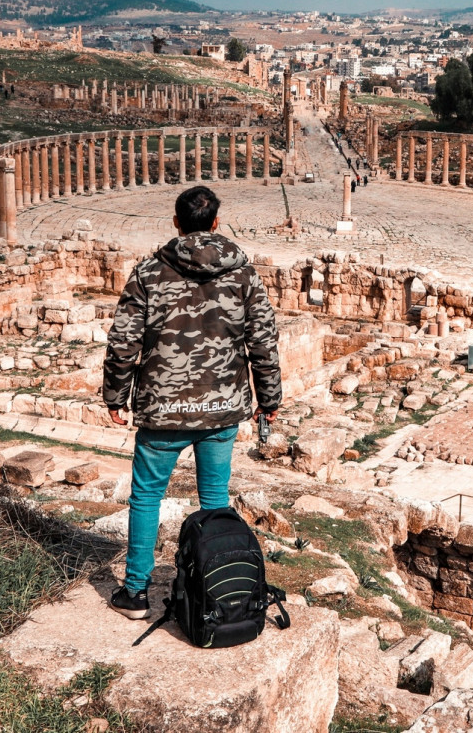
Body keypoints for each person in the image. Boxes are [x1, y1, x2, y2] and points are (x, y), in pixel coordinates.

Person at [103, 185, 282, 619]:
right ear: (217, 223)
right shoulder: (244, 276)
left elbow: (124, 340)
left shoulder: (148, 273)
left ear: (177, 223)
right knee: (215, 500)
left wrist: (116, 394)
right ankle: (216, 589)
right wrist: (269, 397)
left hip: (163, 409)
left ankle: (135, 592)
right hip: (222, 408)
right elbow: (263, 341)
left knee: (146, 497)